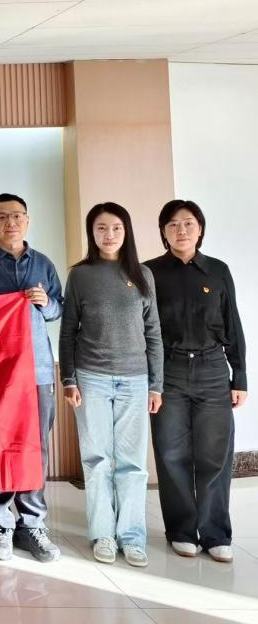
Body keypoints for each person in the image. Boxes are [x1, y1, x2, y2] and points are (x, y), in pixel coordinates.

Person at [0, 193, 64, 563]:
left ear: (27, 220)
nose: (10, 222)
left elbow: (59, 309)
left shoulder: (44, 264)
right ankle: (1, 525)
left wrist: (45, 304)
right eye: (1, 216)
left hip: (38, 370)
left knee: (36, 448)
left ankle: (32, 525)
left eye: (17, 215)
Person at [60, 202, 163, 567]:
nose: (109, 234)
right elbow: (68, 330)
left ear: (126, 231)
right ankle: (103, 533)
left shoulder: (142, 274)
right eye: (101, 228)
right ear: (92, 233)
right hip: (92, 379)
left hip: (135, 380)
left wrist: (156, 385)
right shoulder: (80, 275)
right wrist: (68, 379)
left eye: (116, 228)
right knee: (97, 460)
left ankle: (132, 537)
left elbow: (153, 332)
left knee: (133, 464)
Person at [145, 200, 248, 563]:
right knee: (171, 453)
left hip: (213, 370)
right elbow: (143, 327)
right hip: (168, 372)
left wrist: (240, 377)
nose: (181, 230)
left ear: (200, 229)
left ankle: (216, 533)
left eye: (188, 223)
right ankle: (182, 530)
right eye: (173, 224)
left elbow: (233, 324)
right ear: (163, 231)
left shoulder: (218, 271)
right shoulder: (149, 272)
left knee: (215, 455)